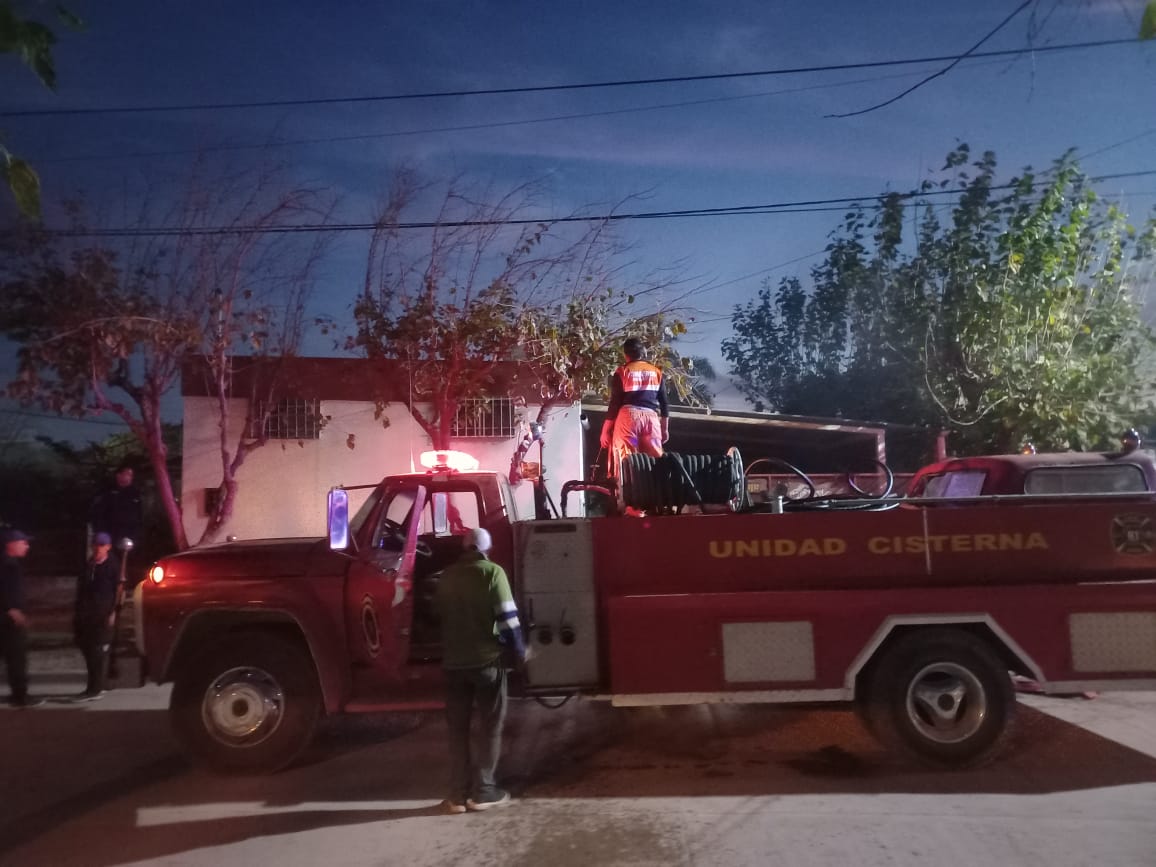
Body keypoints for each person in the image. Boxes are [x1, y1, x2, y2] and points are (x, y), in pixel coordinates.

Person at [435, 527, 528, 814]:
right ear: (487, 549)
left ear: (464, 548)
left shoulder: (446, 576)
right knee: (489, 727)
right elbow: (508, 618)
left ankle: (457, 796)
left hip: (453, 664)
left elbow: (437, 615)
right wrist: (520, 650)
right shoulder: (492, 573)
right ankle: (484, 791)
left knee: (457, 730)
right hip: (487, 663)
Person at [600, 337, 670, 478]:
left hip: (629, 420)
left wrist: (605, 431)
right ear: (642, 353)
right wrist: (664, 429)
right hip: (651, 421)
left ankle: (628, 491)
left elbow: (614, 405)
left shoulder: (622, 372)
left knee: (627, 462)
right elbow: (664, 404)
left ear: (626, 355)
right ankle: (654, 491)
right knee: (655, 462)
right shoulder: (656, 372)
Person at [71, 532, 122, 701]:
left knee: (96, 651)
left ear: (108, 547)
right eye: (95, 545)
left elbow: (119, 590)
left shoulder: (112, 566)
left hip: (102, 614)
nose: (97, 548)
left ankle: (94, 688)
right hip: (85, 614)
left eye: (101, 545)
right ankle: (97, 684)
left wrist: (113, 611)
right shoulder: (89, 565)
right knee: (87, 647)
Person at [1, 528, 43, 708]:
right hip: (9, 620)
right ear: (11, 544)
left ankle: (18, 694)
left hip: (10, 617)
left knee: (15, 658)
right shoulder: (7, 565)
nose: (27, 546)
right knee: (17, 658)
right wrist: (10, 608)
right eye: (23, 542)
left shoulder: (11, 564)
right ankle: (20, 697)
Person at [89, 462, 142, 576]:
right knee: (110, 563)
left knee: (128, 565)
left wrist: (136, 536)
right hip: (111, 535)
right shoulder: (107, 492)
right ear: (118, 475)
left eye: (131, 475)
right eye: (126, 474)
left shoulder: (135, 493)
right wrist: (101, 533)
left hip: (129, 536)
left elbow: (139, 516)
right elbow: (98, 514)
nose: (129, 477)